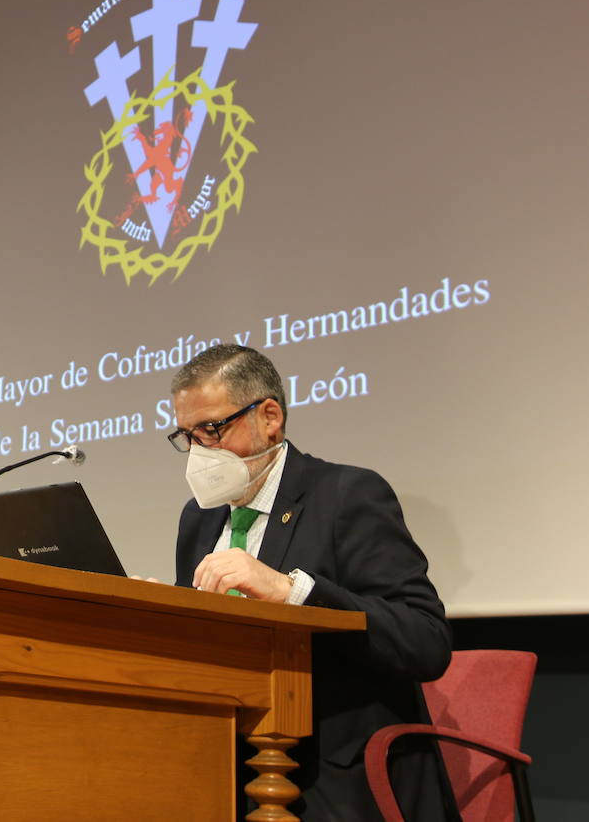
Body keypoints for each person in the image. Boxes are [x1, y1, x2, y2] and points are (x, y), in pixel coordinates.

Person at [166, 345, 457, 821]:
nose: (200, 452)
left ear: (270, 417)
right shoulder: (198, 518)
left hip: (333, 775)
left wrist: (293, 592)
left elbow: (426, 641)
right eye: (187, 436)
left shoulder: (346, 495)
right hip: (223, 766)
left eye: (212, 430)